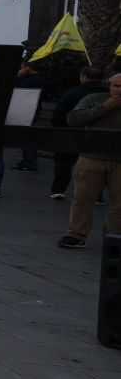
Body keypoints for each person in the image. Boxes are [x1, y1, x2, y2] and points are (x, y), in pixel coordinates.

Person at [56, 71, 121, 249]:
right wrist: (104, 107)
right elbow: (73, 119)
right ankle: (76, 234)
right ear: (109, 86)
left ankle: (113, 236)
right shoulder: (94, 99)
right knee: (83, 198)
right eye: (117, 86)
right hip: (91, 157)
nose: (120, 91)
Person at [51, 66, 105, 201]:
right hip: (98, 136)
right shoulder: (107, 95)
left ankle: (58, 190)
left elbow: (59, 115)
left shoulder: (73, 93)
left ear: (85, 77)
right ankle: (97, 195)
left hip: (71, 133)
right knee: (96, 165)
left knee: (64, 162)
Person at [10, 63, 48, 173]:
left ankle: (30, 163)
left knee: (27, 137)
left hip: (29, 110)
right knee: (27, 136)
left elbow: (16, 89)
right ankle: (27, 161)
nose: (21, 69)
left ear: (28, 67)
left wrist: (18, 77)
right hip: (29, 109)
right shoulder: (35, 78)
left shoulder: (34, 80)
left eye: (22, 67)